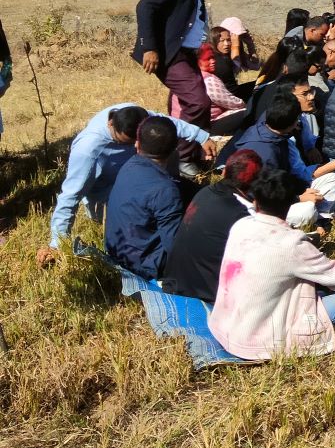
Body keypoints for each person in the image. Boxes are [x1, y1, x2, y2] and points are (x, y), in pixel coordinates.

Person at [209, 169, 335, 360]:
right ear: (291, 204)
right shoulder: (292, 243)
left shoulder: (240, 225)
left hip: (225, 327)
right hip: (263, 342)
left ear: (255, 201)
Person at [40, 103, 214, 267]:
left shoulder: (133, 113)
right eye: (125, 143)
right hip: (111, 200)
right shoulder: (88, 150)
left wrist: (201, 136)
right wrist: (56, 244)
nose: (135, 147)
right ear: (111, 123)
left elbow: (162, 126)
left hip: (145, 181)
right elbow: (69, 197)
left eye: (136, 143)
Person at [224, 93, 335, 230]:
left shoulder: (273, 134)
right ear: (293, 123)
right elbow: (262, 198)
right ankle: (314, 219)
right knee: (306, 211)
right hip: (256, 209)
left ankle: (321, 219)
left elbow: (298, 173)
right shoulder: (266, 153)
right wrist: (299, 198)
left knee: (331, 178)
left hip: (285, 191)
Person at [132, 0, 231, 134]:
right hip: (170, 52)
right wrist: (150, 48)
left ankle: (192, 149)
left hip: (186, 53)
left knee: (200, 101)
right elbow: (145, 7)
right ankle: (181, 153)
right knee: (197, 102)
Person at [162, 150, 263, 303]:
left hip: (177, 282)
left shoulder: (205, 192)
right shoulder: (242, 216)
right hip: (205, 292)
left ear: (224, 172)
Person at [103, 116, 186, 280]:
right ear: (174, 148)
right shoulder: (165, 191)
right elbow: (175, 247)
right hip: (145, 266)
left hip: (117, 252)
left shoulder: (129, 165)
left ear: (137, 144)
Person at [177, 41, 246, 134]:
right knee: (247, 112)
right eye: (207, 59)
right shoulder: (208, 80)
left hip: (186, 125)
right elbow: (231, 102)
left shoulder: (185, 77)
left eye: (213, 57)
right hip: (206, 126)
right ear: (197, 61)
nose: (213, 61)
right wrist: (245, 105)